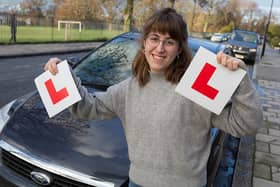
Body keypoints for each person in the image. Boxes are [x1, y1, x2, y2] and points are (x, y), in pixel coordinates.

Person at [44, 8, 262, 187]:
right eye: (154, 38)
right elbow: (86, 107)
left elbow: (246, 125)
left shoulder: (196, 87)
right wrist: (63, 76)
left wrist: (241, 82)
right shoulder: (127, 89)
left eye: (169, 42)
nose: (160, 48)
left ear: (179, 49)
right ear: (144, 43)